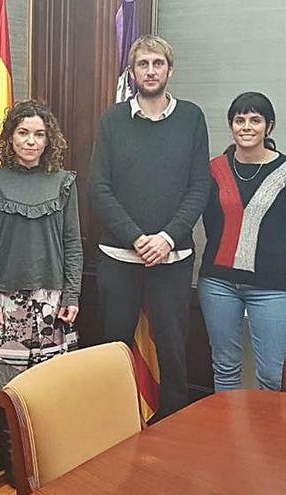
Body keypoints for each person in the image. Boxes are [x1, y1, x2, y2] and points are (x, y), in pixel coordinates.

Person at [88, 35, 210, 419]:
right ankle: (116, 425)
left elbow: (199, 186)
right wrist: (137, 238)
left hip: (172, 257)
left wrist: (167, 238)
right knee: (115, 347)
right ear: (132, 71)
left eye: (158, 63)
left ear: (169, 70)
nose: (151, 70)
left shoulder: (191, 117)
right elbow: (99, 187)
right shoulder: (112, 119)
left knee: (172, 348)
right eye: (143, 64)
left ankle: (174, 427)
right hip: (118, 256)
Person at [198, 92, 286, 392]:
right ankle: (229, 437)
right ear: (231, 126)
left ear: (269, 127)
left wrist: (279, 272)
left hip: (272, 289)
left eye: (255, 120)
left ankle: (269, 439)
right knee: (224, 368)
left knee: (273, 376)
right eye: (239, 120)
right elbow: (211, 224)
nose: (246, 127)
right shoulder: (215, 170)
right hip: (218, 284)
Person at [0, 99, 83, 398]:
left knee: (52, 394)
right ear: (10, 137)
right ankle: (14, 447)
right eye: (23, 132)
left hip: (53, 303)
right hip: (6, 304)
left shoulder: (64, 182)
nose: (31, 141)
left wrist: (71, 294)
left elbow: (72, 244)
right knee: (12, 395)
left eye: (39, 134)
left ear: (49, 140)